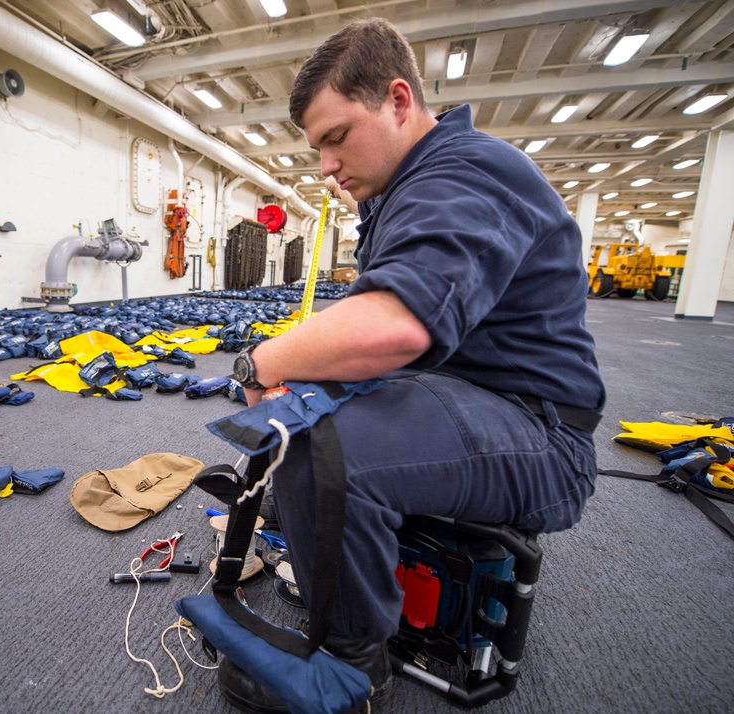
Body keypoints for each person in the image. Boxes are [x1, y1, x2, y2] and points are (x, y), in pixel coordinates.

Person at [219, 17, 606, 713]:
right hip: (471, 392)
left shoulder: (468, 171)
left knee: (320, 444)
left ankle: (350, 670)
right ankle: (329, 526)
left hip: (542, 437)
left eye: (336, 138)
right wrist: (305, 376)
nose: (326, 166)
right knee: (306, 406)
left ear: (399, 101)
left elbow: (396, 328)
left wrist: (260, 361)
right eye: (317, 148)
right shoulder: (406, 189)